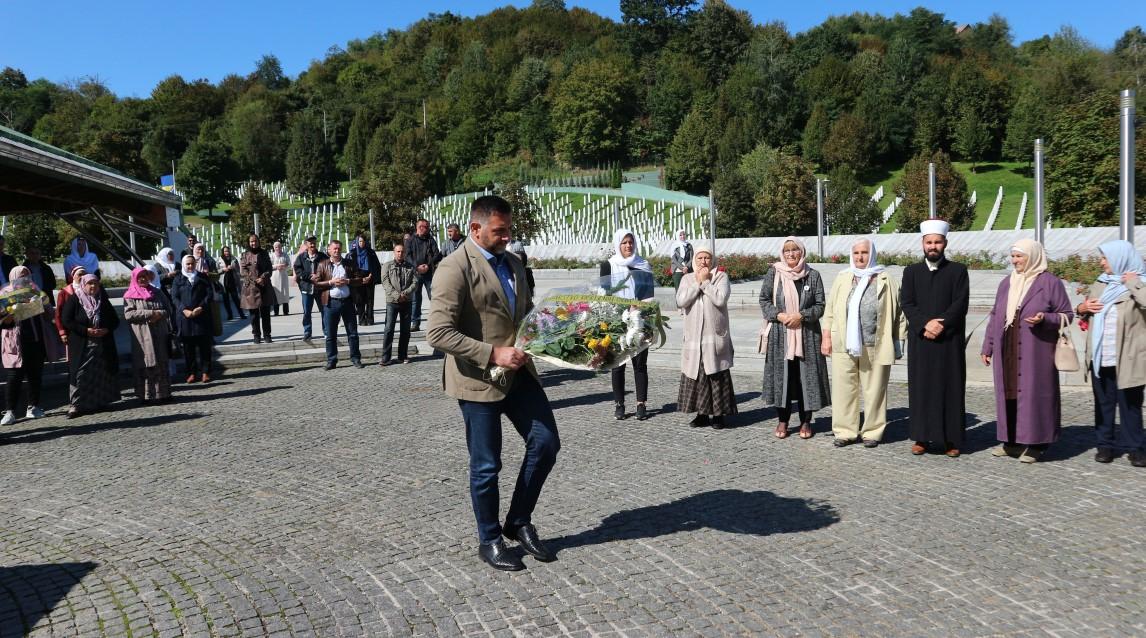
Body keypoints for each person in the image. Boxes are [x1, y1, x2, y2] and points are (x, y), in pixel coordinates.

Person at [426, 195, 560, 572]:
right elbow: (437, 332)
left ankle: (517, 521)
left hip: (519, 375)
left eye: (508, 230)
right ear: (475, 228)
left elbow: (524, 315)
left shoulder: (515, 263)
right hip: (477, 381)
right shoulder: (454, 268)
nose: (506, 238)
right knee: (487, 465)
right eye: (499, 231)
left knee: (546, 443)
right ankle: (489, 539)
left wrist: (554, 336)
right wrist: (493, 353)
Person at [980, 239, 1073, 463]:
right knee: (1009, 392)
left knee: (1035, 395)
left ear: (1032, 256)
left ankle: (1038, 443)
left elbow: (1067, 314)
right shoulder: (1006, 283)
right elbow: (995, 316)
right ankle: (1011, 441)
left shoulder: (1050, 283)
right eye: (1013, 256)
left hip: (1036, 349)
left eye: (1019, 256)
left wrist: (1045, 318)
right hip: (1007, 346)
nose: (1015, 261)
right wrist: (988, 346)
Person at [821, 238, 906, 448]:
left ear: (872, 254)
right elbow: (830, 311)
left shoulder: (886, 279)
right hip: (844, 344)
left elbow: (900, 314)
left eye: (864, 253)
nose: (860, 257)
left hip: (875, 343)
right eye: (857, 253)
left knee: (875, 389)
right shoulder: (843, 278)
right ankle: (845, 431)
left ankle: (872, 432)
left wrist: (899, 341)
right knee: (843, 389)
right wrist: (826, 337)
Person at [900, 219, 970, 457]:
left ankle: (952, 439)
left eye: (937, 242)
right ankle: (922, 436)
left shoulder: (958, 271)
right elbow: (907, 303)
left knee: (950, 387)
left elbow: (960, 304)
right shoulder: (911, 272)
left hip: (949, 341)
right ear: (922, 244)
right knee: (922, 388)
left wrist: (941, 324)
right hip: (921, 341)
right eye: (929, 242)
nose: (933, 246)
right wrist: (924, 324)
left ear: (945, 243)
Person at [1076, 239, 1146, 467]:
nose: (1101, 262)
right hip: (1101, 355)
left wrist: (1133, 283)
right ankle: (1104, 445)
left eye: (1105, 258)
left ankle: (1135, 447)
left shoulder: (1140, 282)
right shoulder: (1101, 283)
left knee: (1131, 405)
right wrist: (1082, 309)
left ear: (1119, 259)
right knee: (1103, 403)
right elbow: (1088, 308)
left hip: (1129, 357)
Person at [759, 237, 830, 440]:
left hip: (807, 335)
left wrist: (802, 316)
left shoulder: (812, 275)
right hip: (780, 336)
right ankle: (783, 419)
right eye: (787, 250)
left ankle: (806, 421)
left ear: (802, 252)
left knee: (805, 379)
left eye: (795, 250)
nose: (791, 254)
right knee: (784, 378)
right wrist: (778, 315)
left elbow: (820, 304)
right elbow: (764, 299)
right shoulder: (774, 273)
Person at [675, 248, 735, 429]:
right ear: (694, 260)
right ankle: (701, 414)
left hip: (714, 337)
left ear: (712, 259)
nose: (703, 261)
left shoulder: (721, 277)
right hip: (694, 339)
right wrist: (697, 283)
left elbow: (720, 299)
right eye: (700, 258)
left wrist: (706, 283)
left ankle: (718, 415)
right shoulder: (686, 279)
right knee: (698, 375)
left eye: (707, 257)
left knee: (716, 375)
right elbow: (681, 301)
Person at [602, 229, 656, 421]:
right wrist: (621, 308)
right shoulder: (609, 265)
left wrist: (639, 308)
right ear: (618, 244)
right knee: (618, 364)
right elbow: (604, 295)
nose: (628, 246)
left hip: (640, 319)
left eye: (631, 242)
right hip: (617, 321)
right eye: (624, 243)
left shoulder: (643, 265)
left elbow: (650, 295)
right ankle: (619, 404)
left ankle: (641, 403)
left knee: (640, 365)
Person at [1, 267, 61, 425]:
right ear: (13, 277)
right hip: (15, 341)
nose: (25, 278)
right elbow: (2, 320)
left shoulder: (36, 290)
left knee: (35, 374)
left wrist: (41, 306)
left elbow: (49, 314)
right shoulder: (5, 292)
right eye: (22, 276)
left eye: (27, 275)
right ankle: (10, 411)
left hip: (36, 338)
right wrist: (12, 312)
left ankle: (33, 406)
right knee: (14, 376)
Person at [60, 274, 120, 418]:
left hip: (101, 344)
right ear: (83, 285)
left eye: (96, 283)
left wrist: (106, 329)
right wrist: (86, 330)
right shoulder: (75, 299)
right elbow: (67, 320)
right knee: (80, 374)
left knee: (100, 373)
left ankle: (100, 402)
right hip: (82, 344)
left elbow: (114, 320)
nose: (93, 286)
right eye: (90, 284)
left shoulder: (102, 300)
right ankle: (76, 405)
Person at [122, 267, 173, 403]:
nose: (143, 279)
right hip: (143, 336)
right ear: (135, 278)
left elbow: (168, 309)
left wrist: (159, 314)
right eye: (140, 276)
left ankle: (163, 393)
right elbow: (129, 314)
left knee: (161, 361)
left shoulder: (157, 292)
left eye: (145, 276)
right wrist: (150, 313)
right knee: (146, 362)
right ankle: (147, 395)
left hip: (159, 333)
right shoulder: (129, 295)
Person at [313, 239, 365, 369]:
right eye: (334, 248)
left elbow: (359, 280)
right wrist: (331, 282)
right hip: (331, 303)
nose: (336, 251)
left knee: (353, 333)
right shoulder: (322, 264)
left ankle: (355, 358)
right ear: (329, 250)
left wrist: (347, 281)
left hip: (347, 302)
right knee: (330, 335)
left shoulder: (348, 263)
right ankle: (331, 360)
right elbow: (317, 284)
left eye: (338, 248)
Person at [171, 255, 215, 383]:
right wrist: (184, 310)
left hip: (202, 316)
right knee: (188, 348)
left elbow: (209, 294)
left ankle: (206, 372)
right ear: (184, 264)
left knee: (205, 346)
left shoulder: (202, 277)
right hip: (186, 318)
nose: (190, 266)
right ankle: (191, 372)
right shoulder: (178, 278)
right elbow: (174, 297)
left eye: (192, 264)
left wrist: (201, 307)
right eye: (188, 264)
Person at [380, 243, 417, 365]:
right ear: (394, 252)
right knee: (389, 329)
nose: (400, 254)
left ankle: (402, 355)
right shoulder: (387, 266)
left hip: (406, 301)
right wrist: (397, 296)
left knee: (405, 330)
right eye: (398, 251)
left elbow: (415, 283)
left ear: (405, 253)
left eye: (402, 251)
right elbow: (385, 283)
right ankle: (386, 357)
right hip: (392, 302)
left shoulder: (410, 267)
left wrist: (405, 294)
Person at [405, 218, 441, 331]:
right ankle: (415, 323)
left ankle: (438, 322)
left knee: (434, 297)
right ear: (418, 227)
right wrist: (417, 266)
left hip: (429, 273)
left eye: (427, 227)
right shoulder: (410, 240)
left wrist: (428, 265)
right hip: (415, 274)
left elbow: (437, 254)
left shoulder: (430, 240)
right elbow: (407, 256)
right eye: (423, 227)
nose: (425, 229)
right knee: (416, 299)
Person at [293, 235, 328, 346]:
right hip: (306, 289)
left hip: (320, 289)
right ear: (306, 244)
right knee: (307, 312)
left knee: (324, 311)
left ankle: (326, 332)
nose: (312, 245)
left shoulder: (322, 256)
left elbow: (327, 269)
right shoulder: (301, 257)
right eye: (310, 243)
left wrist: (318, 276)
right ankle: (307, 332)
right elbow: (298, 270)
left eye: (314, 242)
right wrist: (309, 276)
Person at [240, 234, 274, 343]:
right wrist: (253, 279)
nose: (253, 243)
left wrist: (263, 277)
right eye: (251, 241)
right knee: (254, 315)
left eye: (255, 241)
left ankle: (267, 334)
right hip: (251, 288)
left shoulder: (264, 253)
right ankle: (256, 335)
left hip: (264, 287)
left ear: (258, 242)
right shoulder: (245, 255)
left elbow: (269, 268)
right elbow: (243, 271)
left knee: (265, 313)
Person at [348, 234, 382, 325]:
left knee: (370, 300)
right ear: (357, 242)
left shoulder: (371, 252)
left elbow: (376, 265)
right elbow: (350, 268)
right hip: (358, 279)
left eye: (363, 241)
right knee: (360, 300)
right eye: (360, 241)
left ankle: (370, 319)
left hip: (370, 278)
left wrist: (371, 275)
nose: (361, 243)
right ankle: (362, 319)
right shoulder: (352, 253)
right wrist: (359, 278)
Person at [55, 266, 86, 348]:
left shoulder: (89, 290)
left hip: (87, 329)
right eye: (79, 274)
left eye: (84, 274)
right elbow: (58, 313)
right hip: (71, 330)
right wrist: (62, 332)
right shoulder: (64, 292)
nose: (82, 277)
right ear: (73, 276)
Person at [218, 246, 245, 321]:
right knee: (226, 301)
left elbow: (238, 269)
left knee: (236, 299)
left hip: (232, 281)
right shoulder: (219, 259)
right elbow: (216, 271)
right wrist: (223, 269)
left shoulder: (234, 259)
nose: (227, 253)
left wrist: (233, 268)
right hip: (224, 283)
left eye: (228, 251)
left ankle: (241, 314)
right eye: (225, 251)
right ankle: (230, 315)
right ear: (223, 252)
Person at [270, 241, 292, 316]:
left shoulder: (285, 255)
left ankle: (286, 311)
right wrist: (276, 266)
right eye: (276, 247)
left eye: (279, 246)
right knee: (276, 294)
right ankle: (276, 311)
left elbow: (289, 264)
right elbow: (269, 266)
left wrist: (284, 265)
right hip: (275, 277)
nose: (278, 248)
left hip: (284, 276)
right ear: (274, 248)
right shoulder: (272, 255)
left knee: (285, 293)